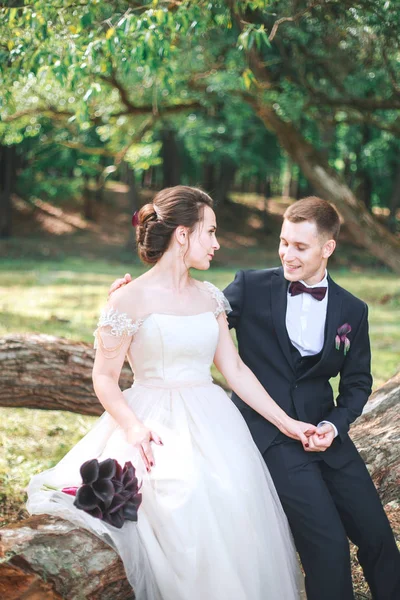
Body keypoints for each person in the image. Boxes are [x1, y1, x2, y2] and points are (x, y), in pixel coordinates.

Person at [27, 186, 316, 600]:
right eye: (210, 232)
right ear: (182, 235)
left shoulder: (210, 297)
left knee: (235, 497)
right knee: (181, 498)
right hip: (151, 421)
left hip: (214, 421)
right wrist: (132, 428)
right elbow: (104, 377)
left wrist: (286, 422)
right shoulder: (127, 299)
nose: (217, 243)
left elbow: (233, 368)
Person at [114, 195, 400, 600]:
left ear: (327, 248)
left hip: (327, 434)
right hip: (270, 435)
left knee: (379, 540)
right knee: (328, 545)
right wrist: (134, 301)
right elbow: (189, 322)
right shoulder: (250, 286)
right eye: (283, 242)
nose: (287, 254)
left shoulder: (353, 310)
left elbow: (357, 383)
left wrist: (334, 426)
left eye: (300, 246)